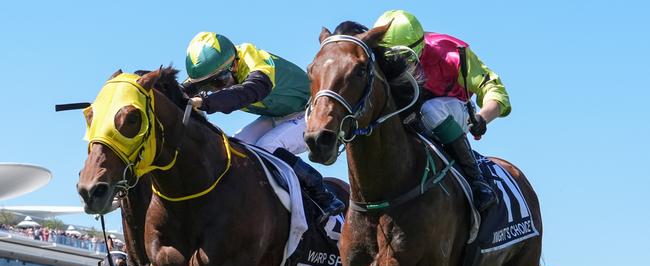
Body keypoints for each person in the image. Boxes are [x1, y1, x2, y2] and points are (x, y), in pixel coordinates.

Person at [183, 32, 344, 222]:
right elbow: (181, 90)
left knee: (267, 147)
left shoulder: (254, 60)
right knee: (235, 147)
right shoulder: (223, 65)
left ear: (234, 65)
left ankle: (323, 195)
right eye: (208, 86)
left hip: (312, 112)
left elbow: (249, 92)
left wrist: (205, 101)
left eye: (219, 82)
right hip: (277, 115)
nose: (218, 89)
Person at [374, 10, 512, 212]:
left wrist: (483, 117)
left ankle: (476, 179)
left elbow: (494, 89)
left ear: (418, 48)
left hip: (453, 112)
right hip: (409, 114)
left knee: (430, 109)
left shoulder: (451, 53)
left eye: (402, 57)